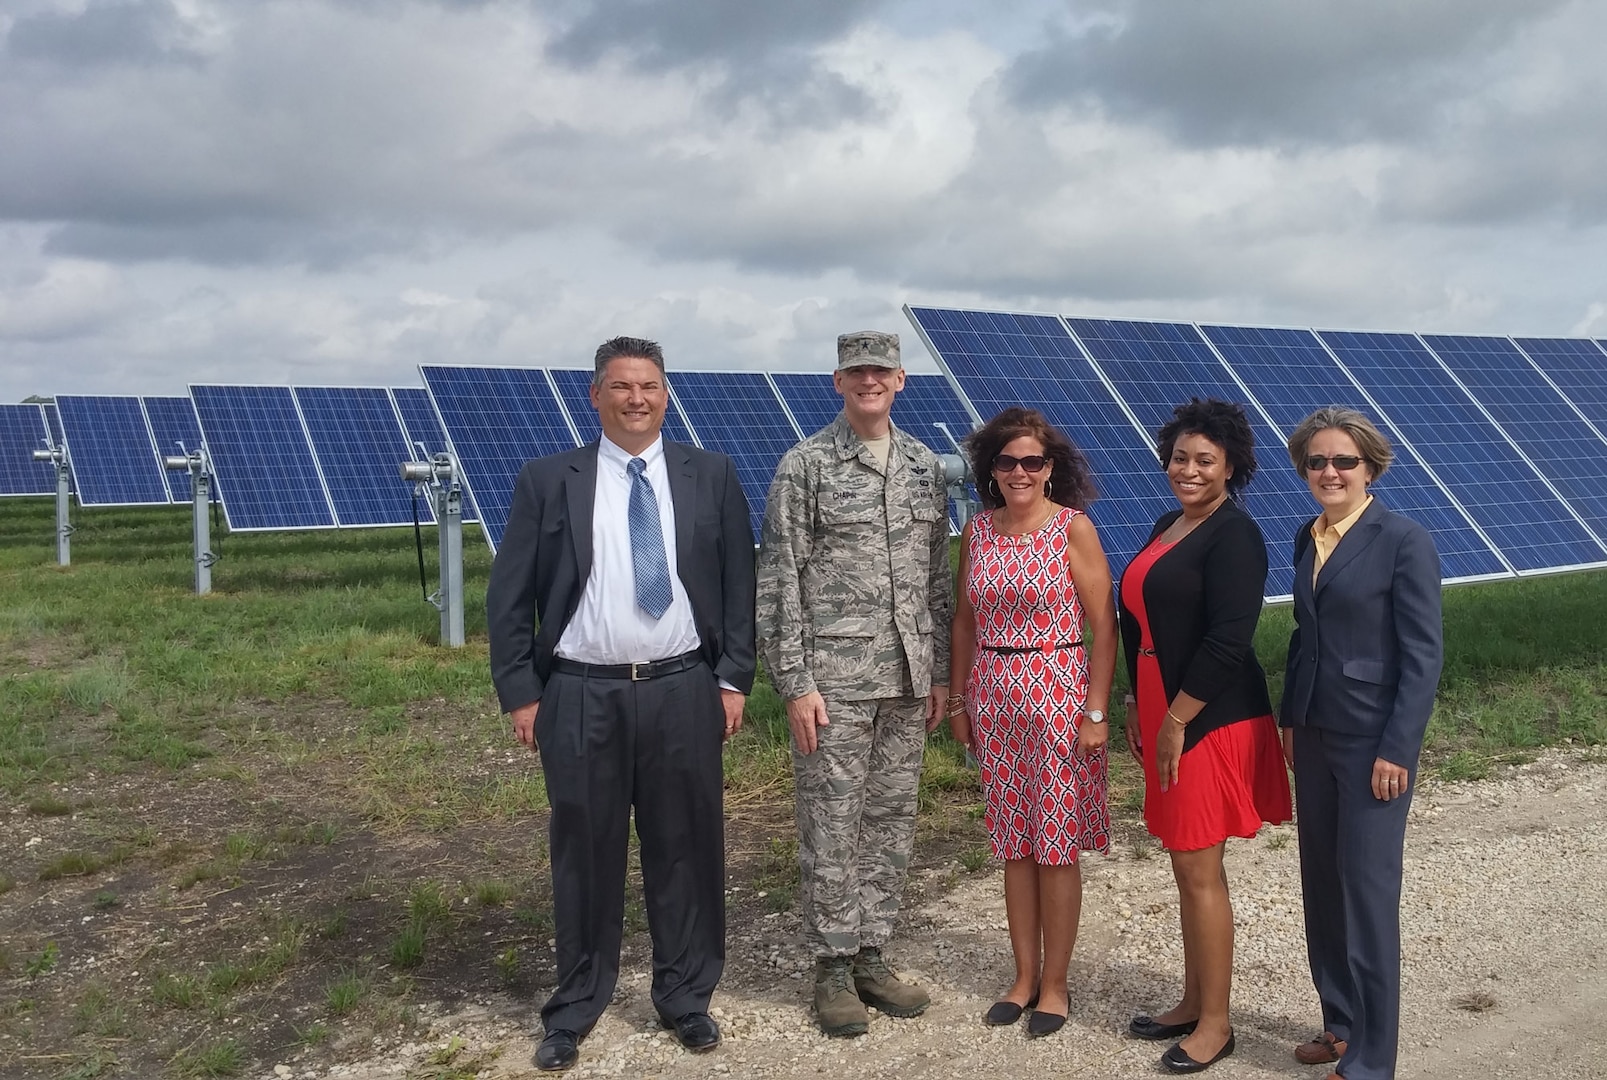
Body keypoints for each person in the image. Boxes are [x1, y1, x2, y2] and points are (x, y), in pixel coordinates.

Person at [486, 337, 756, 1073]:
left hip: (682, 688)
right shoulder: (549, 479)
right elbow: (509, 595)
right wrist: (520, 692)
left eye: (649, 386)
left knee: (685, 851)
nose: (636, 399)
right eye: (620, 386)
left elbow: (739, 583)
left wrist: (732, 678)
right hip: (578, 692)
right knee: (585, 854)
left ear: (666, 394)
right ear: (595, 396)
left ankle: (685, 998)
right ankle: (573, 1008)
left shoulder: (712, 474)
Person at [757, 330, 953, 1037]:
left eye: (880, 371)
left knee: (890, 823)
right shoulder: (804, 466)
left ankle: (872, 953)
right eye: (854, 372)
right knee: (831, 825)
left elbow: (935, 578)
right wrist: (794, 683)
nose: (868, 382)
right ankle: (832, 964)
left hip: (906, 680)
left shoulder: (925, 467)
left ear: (900, 380)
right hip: (833, 683)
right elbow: (780, 579)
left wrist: (938, 676)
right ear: (837, 383)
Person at [1118, 398, 1292, 1074]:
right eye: (1180, 457)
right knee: (1183, 862)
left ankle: (1216, 1024)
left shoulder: (1234, 535)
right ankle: (1191, 999)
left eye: (1204, 461)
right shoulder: (1169, 524)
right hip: (1162, 702)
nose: (1187, 470)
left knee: (1198, 867)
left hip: (1208, 714)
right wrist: (1137, 698)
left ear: (1230, 468)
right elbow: (1137, 617)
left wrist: (1175, 720)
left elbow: (1226, 642)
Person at [1280, 408, 1443, 1080]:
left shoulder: (1402, 540)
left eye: (1342, 460)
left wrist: (1398, 747)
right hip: (1313, 735)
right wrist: (1290, 718)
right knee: (1321, 883)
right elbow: (1302, 636)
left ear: (1368, 466)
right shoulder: (1305, 536)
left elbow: (1422, 655)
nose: (1328, 471)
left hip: (1372, 742)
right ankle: (1340, 1021)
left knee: (1366, 892)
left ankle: (1373, 1058)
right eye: (1317, 461)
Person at [947, 408, 1116, 1037]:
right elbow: (964, 621)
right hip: (994, 695)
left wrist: (1096, 710)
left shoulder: (1073, 529)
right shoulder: (979, 530)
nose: (1020, 472)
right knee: (1012, 843)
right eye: (1008, 461)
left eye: (1033, 462)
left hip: (1059, 693)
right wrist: (961, 701)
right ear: (992, 469)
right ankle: (1022, 976)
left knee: (1055, 845)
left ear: (1051, 469)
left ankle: (1056, 984)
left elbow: (1106, 627)